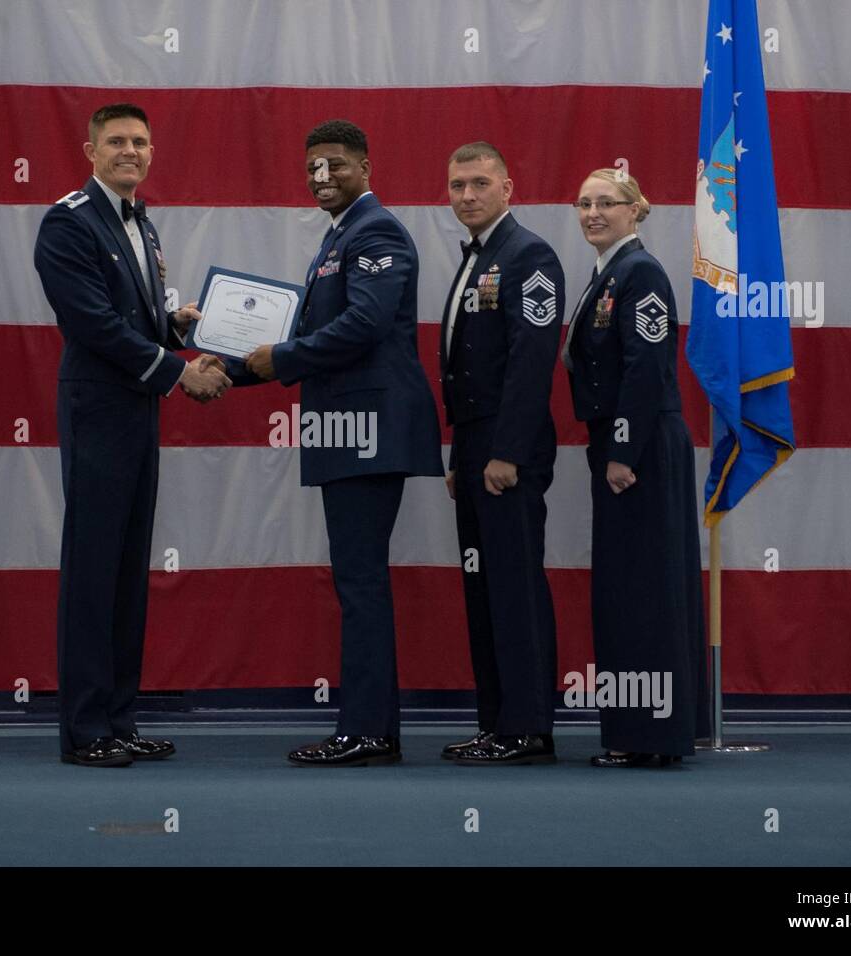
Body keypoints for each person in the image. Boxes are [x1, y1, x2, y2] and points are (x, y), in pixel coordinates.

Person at [33, 103, 230, 767]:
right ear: (90, 150)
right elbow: (92, 323)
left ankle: (119, 719)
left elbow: (133, 318)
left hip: (137, 410)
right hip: (98, 410)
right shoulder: (68, 221)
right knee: (94, 573)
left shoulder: (140, 221)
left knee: (124, 574)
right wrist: (178, 373)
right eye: (116, 140)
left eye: (140, 142)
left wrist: (175, 327)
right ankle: (85, 730)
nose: (130, 151)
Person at [244, 119, 444, 767]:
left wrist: (278, 359)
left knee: (360, 583)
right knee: (359, 580)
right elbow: (314, 333)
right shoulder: (340, 236)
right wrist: (231, 363)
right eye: (312, 167)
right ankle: (372, 728)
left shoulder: (375, 230)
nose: (321, 176)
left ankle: (366, 731)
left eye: (334, 164)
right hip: (347, 429)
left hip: (368, 429)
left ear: (365, 166)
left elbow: (365, 322)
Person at [562, 169, 710, 767]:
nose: (592, 213)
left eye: (606, 202)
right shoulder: (609, 272)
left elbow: (646, 367)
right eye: (583, 203)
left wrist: (622, 452)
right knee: (628, 589)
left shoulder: (639, 272)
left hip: (641, 446)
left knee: (645, 590)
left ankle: (652, 736)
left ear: (635, 209)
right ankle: (646, 731)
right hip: (624, 441)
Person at [437, 143, 565, 765]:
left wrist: (507, 451)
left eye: (479, 183)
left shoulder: (528, 255)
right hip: (475, 444)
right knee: (483, 588)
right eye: (457, 185)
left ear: (508, 188)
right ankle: (496, 723)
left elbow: (531, 361)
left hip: (507, 448)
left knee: (514, 586)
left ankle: (528, 728)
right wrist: (461, 454)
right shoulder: (478, 255)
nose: (467, 195)